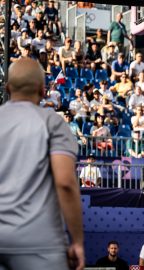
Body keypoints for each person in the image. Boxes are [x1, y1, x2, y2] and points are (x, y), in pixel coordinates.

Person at [0, 58, 84, 269]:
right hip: (40, 242)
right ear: (42, 89)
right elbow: (65, 182)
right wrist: (77, 241)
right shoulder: (53, 122)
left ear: (7, 87)